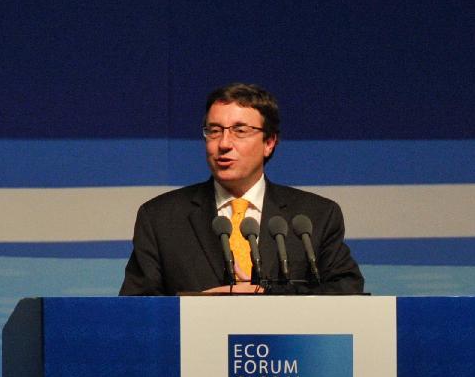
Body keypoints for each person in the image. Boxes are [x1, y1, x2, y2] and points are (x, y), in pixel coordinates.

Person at [120, 83, 363, 295]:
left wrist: (267, 294)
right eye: (214, 131)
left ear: (269, 143)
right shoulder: (161, 218)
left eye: (240, 131)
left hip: (285, 347)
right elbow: (137, 309)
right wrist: (196, 309)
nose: (224, 144)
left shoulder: (314, 216)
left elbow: (347, 290)